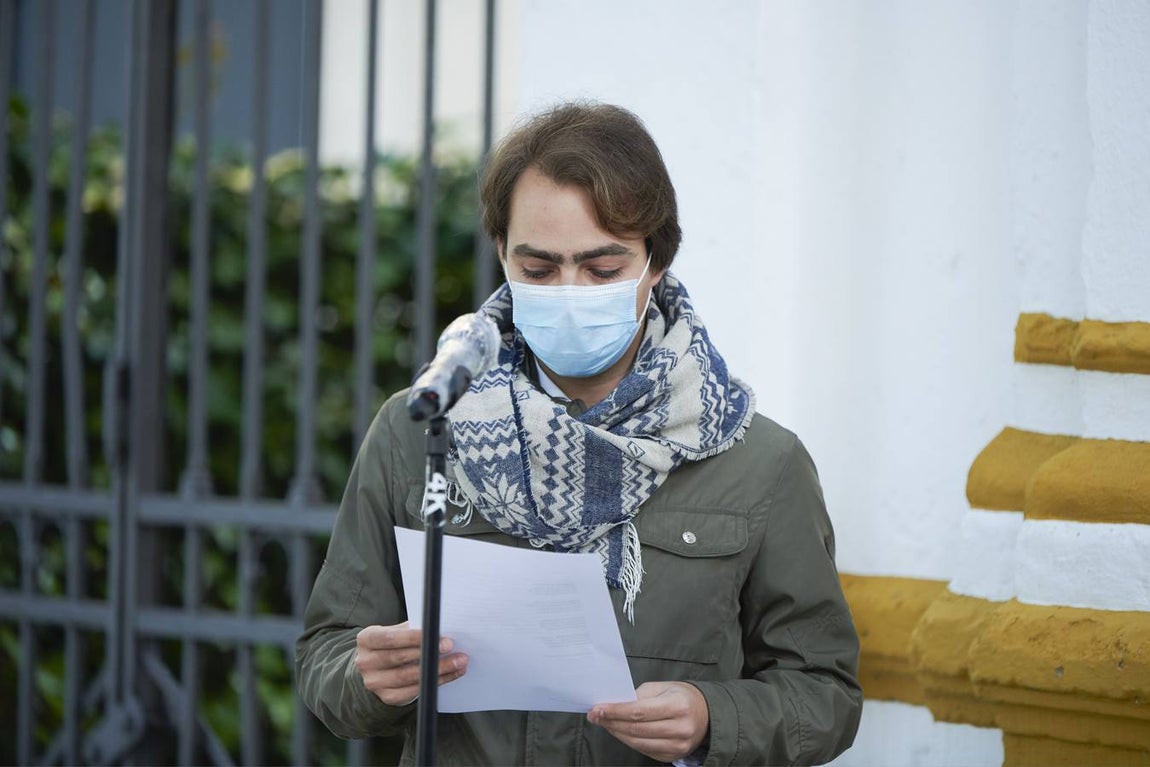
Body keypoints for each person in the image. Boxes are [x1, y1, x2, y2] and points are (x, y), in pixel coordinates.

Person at [296, 101, 862, 765]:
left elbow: (826, 692)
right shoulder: (421, 428)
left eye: (601, 269)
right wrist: (365, 677)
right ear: (502, 253)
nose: (568, 291)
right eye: (538, 269)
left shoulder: (760, 462)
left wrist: (715, 715)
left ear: (656, 261)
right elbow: (326, 652)